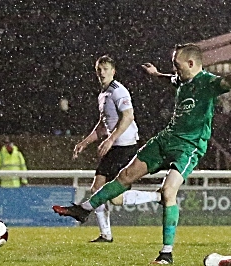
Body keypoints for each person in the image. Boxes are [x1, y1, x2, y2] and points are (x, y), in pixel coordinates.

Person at [53, 43, 231, 264]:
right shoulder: (182, 79)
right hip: (166, 139)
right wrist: (156, 75)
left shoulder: (207, 82)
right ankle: (83, 210)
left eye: (177, 65)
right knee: (124, 176)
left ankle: (166, 253)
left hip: (188, 146)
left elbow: (226, 82)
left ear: (191, 64)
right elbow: (170, 79)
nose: (175, 70)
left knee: (168, 192)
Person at [67, 55, 161, 243]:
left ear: (113, 71)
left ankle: (158, 196)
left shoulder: (119, 91)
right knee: (97, 189)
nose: (101, 72)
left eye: (105, 69)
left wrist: (111, 140)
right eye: (99, 69)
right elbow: (103, 125)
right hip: (114, 147)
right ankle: (105, 235)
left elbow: (128, 117)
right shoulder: (103, 94)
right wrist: (84, 143)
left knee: (115, 198)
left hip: (125, 147)